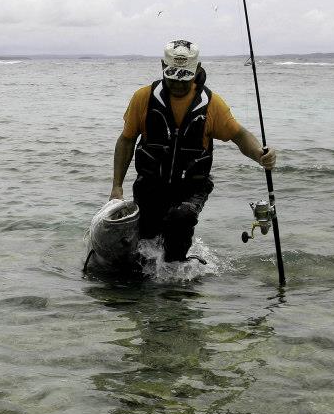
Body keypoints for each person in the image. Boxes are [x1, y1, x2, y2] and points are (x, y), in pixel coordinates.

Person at [110, 39, 277, 263]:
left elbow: (239, 135)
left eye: (185, 77)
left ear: (197, 70)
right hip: (150, 185)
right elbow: (126, 141)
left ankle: (177, 280)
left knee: (181, 220)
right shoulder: (143, 98)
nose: (178, 83)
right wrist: (116, 186)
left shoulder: (212, 105)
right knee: (145, 244)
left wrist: (260, 154)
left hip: (192, 187)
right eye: (172, 75)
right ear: (162, 66)